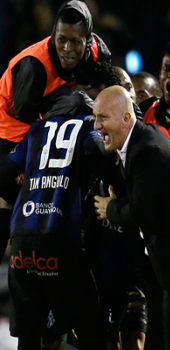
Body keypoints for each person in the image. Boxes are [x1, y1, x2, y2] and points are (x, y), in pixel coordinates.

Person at [0, 66, 119, 350]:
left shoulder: (37, 129)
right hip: (58, 238)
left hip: (20, 242)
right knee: (91, 328)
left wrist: (31, 194)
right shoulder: (89, 126)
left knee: (29, 335)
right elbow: (95, 151)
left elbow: (4, 176)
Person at [93, 86, 170, 350]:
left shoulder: (147, 150)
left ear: (126, 119)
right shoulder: (139, 143)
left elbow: (142, 212)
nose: (97, 126)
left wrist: (112, 207)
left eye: (103, 118)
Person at [0, 0, 111, 262]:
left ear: (89, 40)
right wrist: (69, 99)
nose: (68, 49)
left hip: (49, 128)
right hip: (13, 132)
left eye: (76, 42)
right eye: (61, 40)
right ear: (53, 35)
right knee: (9, 190)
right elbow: (24, 113)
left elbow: (109, 79)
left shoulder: (98, 51)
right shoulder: (34, 65)